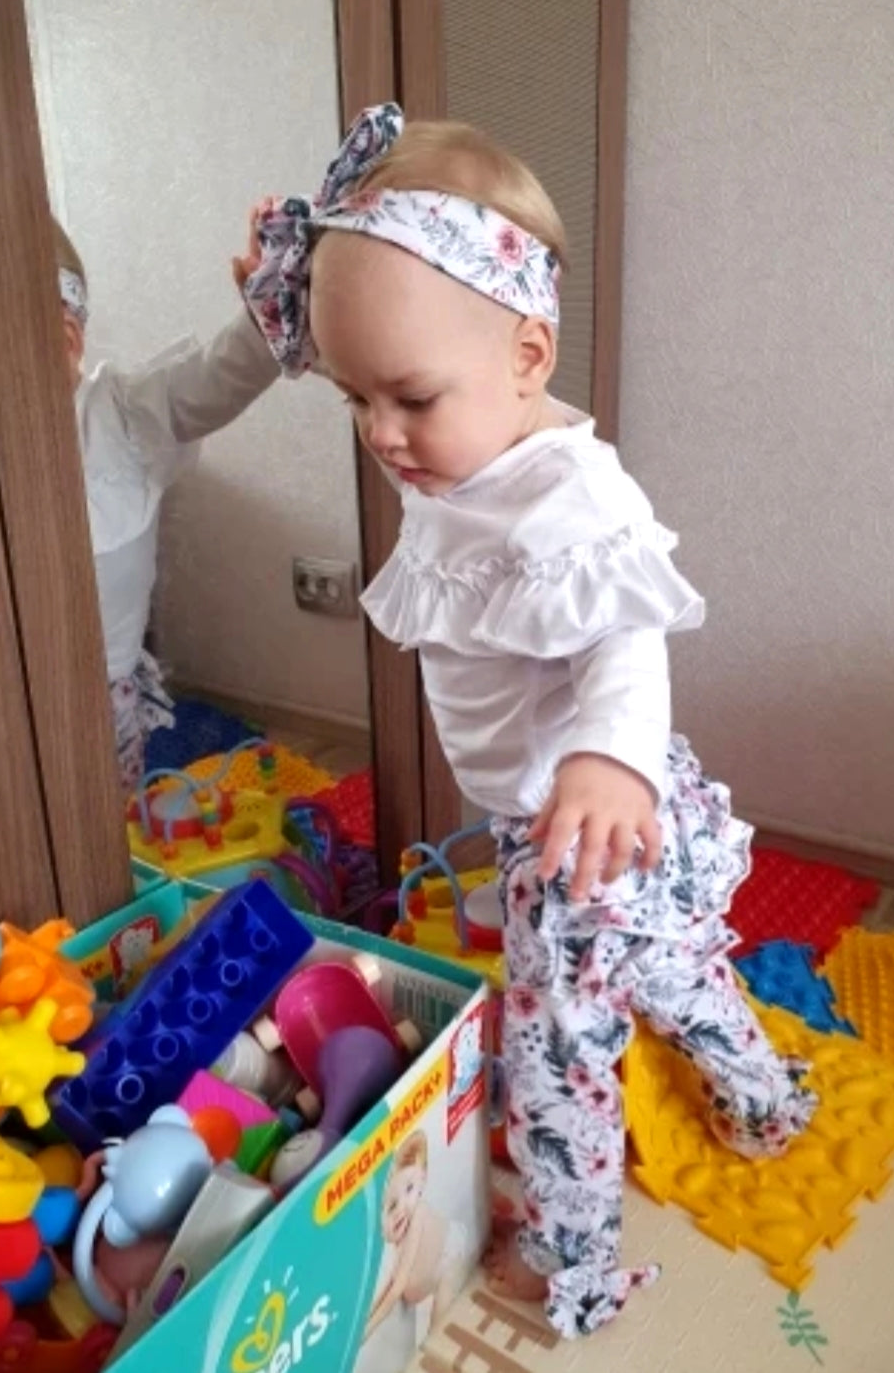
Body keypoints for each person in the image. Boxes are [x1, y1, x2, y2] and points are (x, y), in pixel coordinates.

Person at [238, 103, 817, 1340]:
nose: (382, 435)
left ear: (528, 357)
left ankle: (573, 1255)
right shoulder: (459, 431)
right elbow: (379, 344)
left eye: (407, 398)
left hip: (587, 819)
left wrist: (611, 756)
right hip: (557, 818)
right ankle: (767, 1101)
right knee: (665, 970)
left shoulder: (566, 493)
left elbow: (626, 636)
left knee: (554, 1050)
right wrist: (292, 313)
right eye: (355, 399)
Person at [54, 219, 279, 792]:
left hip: (104, 690)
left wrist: (263, 320)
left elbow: (213, 383)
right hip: (3, 692)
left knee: (106, 817)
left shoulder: (122, 413)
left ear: (65, 341)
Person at [363, 1131, 466, 1343]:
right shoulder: (399, 1236)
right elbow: (392, 1285)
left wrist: (366, 1332)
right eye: (392, 1206)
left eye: (413, 1190)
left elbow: (397, 1286)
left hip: (449, 1259)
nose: (406, 1206)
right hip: (433, 1269)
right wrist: (363, 1323)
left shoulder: (418, 1213)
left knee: (437, 1336)